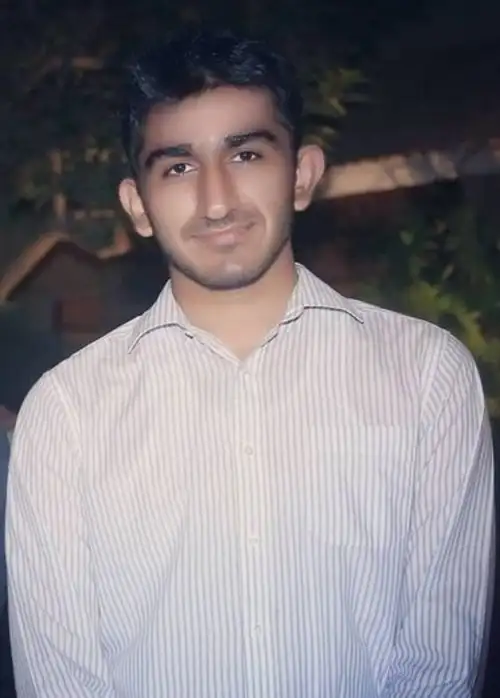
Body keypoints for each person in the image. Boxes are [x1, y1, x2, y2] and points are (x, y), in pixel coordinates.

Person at [6, 27, 494, 698]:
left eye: (246, 154)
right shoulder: (67, 412)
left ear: (302, 176)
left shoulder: (427, 375)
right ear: (137, 206)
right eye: (177, 167)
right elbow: (62, 679)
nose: (217, 201)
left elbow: (440, 662)